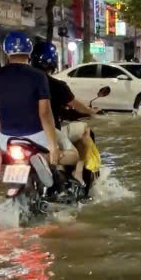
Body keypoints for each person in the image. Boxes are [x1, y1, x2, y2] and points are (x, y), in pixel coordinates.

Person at [0, 32, 61, 187]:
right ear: (29, 52)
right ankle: (43, 158)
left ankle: (0, 155)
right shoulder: (38, 76)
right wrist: (53, 147)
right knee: (66, 154)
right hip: (36, 136)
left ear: (6, 52)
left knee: (2, 148)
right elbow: (45, 114)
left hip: (7, 138)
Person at [30, 41, 96, 186]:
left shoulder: (24, 83)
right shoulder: (58, 85)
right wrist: (91, 111)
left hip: (26, 133)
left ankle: (58, 168)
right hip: (49, 132)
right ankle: (77, 173)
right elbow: (77, 106)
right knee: (86, 130)